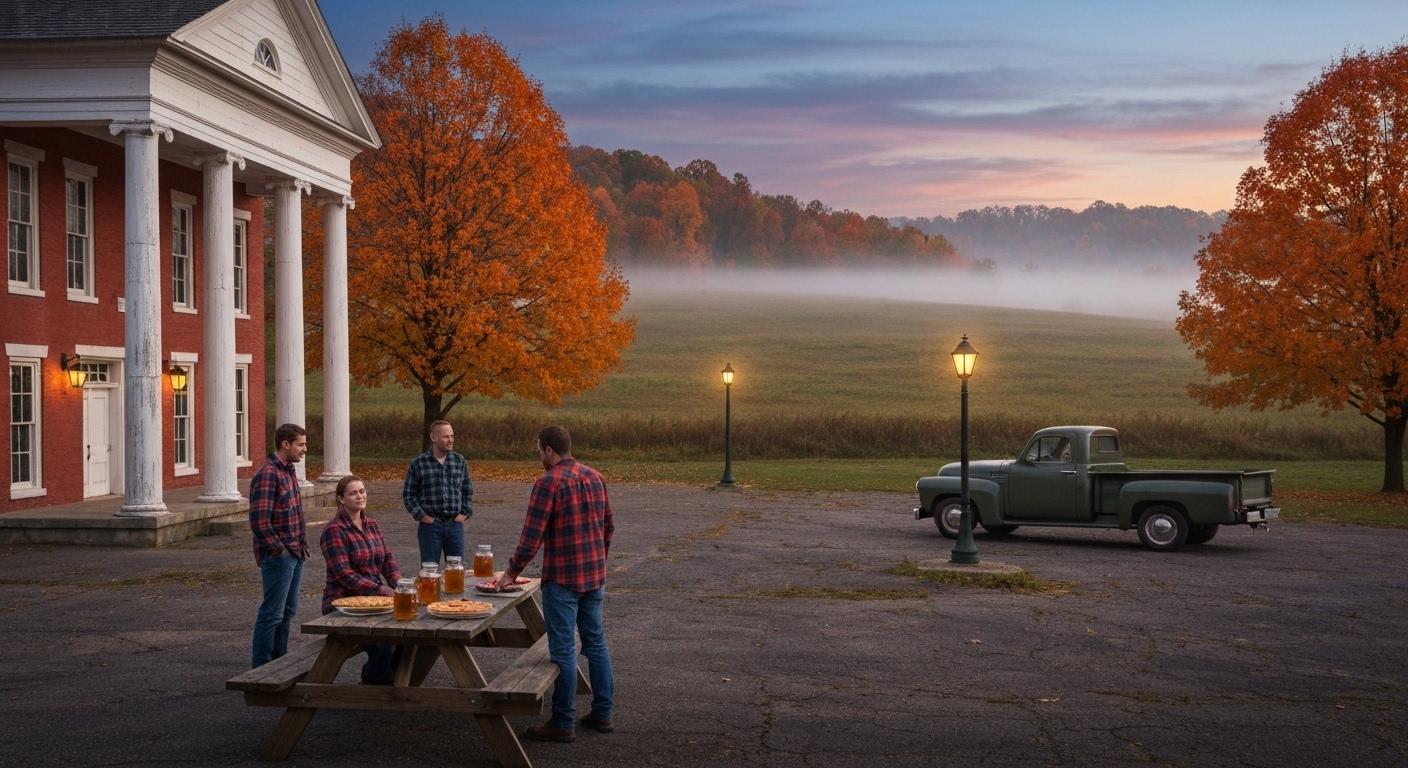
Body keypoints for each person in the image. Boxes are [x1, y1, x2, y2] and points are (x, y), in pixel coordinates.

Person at [497, 425, 615, 743]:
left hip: (562, 580)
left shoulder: (547, 483)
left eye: (539, 449)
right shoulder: (595, 477)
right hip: (594, 577)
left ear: (548, 449)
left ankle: (563, 722)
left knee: (562, 650)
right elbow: (608, 526)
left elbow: (531, 536)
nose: (539, 454)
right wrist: (598, 560)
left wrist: (511, 572)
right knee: (595, 643)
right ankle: (603, 713)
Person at [320, 475, 403, 685]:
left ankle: (391, 679)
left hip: (374, 601)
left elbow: (387, 560)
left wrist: (400, 586)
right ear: (341, 499)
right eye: (353, 493)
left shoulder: (372, 524)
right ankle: (371, 682)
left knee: (410, 634)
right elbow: (344, 575)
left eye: (362, 491)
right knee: (385, 645)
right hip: (343, 603)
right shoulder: (334, 531)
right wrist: (381, 590)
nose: (360, 496)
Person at [249, 423, 309, 669]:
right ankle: (261, 668)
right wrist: (279, 550)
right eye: (301, 444)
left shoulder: (288, 470)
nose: (305, 449)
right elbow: (259, 521)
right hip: (280, 556)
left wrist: (297, 547)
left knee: (287, 611)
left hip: (296, 551)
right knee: (272, 613)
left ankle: (279, 663)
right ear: (286, 444)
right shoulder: (268, 473)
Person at [402, 420, 474, 564]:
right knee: (429, 570)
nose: (450, 440)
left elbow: (467, 490)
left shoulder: (459, 461)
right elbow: (409, 495)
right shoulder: (418, 464)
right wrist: (423, 517)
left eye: (452, 436)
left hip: (455, 526)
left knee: (455, 570)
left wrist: (464, 513)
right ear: (433, 437)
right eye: (445, 436)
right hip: (430, 527)